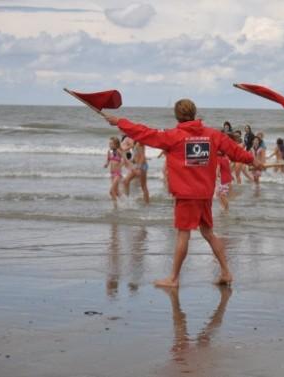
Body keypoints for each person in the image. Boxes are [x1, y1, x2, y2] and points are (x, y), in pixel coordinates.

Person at [104, 99, 263, 288]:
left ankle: (173, 278)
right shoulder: (212, 135)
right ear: (194, 113)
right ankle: (226, 272)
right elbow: (235, 151)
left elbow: (144, 133)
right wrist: (253, 161)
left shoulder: (173, 136)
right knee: (209, 233)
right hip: (204, 194)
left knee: (183, 234)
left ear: (177, 115)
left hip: (187, 195)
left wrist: (120, 122)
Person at [122, 136, 150, 204]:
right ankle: (127, 200)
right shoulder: (135, 142)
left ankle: (147, 204)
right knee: (126, 181)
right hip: (137, 165)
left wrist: (138, 167)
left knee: (143, 186)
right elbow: (127, 150)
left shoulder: (139, 143)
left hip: (142, 166)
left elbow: (142, 156)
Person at [103, 136, 128, 203]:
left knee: (111, 191)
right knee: (116, 192)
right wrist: (106, 164)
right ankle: (126, 203)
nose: (110, 145)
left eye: (111, 143)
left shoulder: (118, 151)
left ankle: (115, 207)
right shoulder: (109, 151)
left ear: (116, 144)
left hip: (117, 174)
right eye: (109, 143)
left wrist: (121, 164)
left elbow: (124, 159)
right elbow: (108, 159)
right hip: (112, 174)